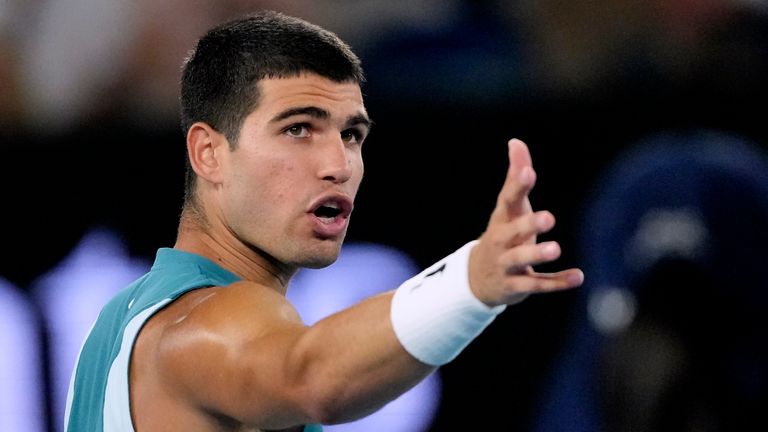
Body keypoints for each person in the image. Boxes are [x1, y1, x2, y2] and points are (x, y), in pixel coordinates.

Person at [64, 10, 583, 432]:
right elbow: (311, 378)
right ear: (208, 153)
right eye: (298, 129)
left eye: (351, 134)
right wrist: (470, 283)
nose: (338, 164)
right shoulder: (203, 322)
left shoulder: (121, 322)